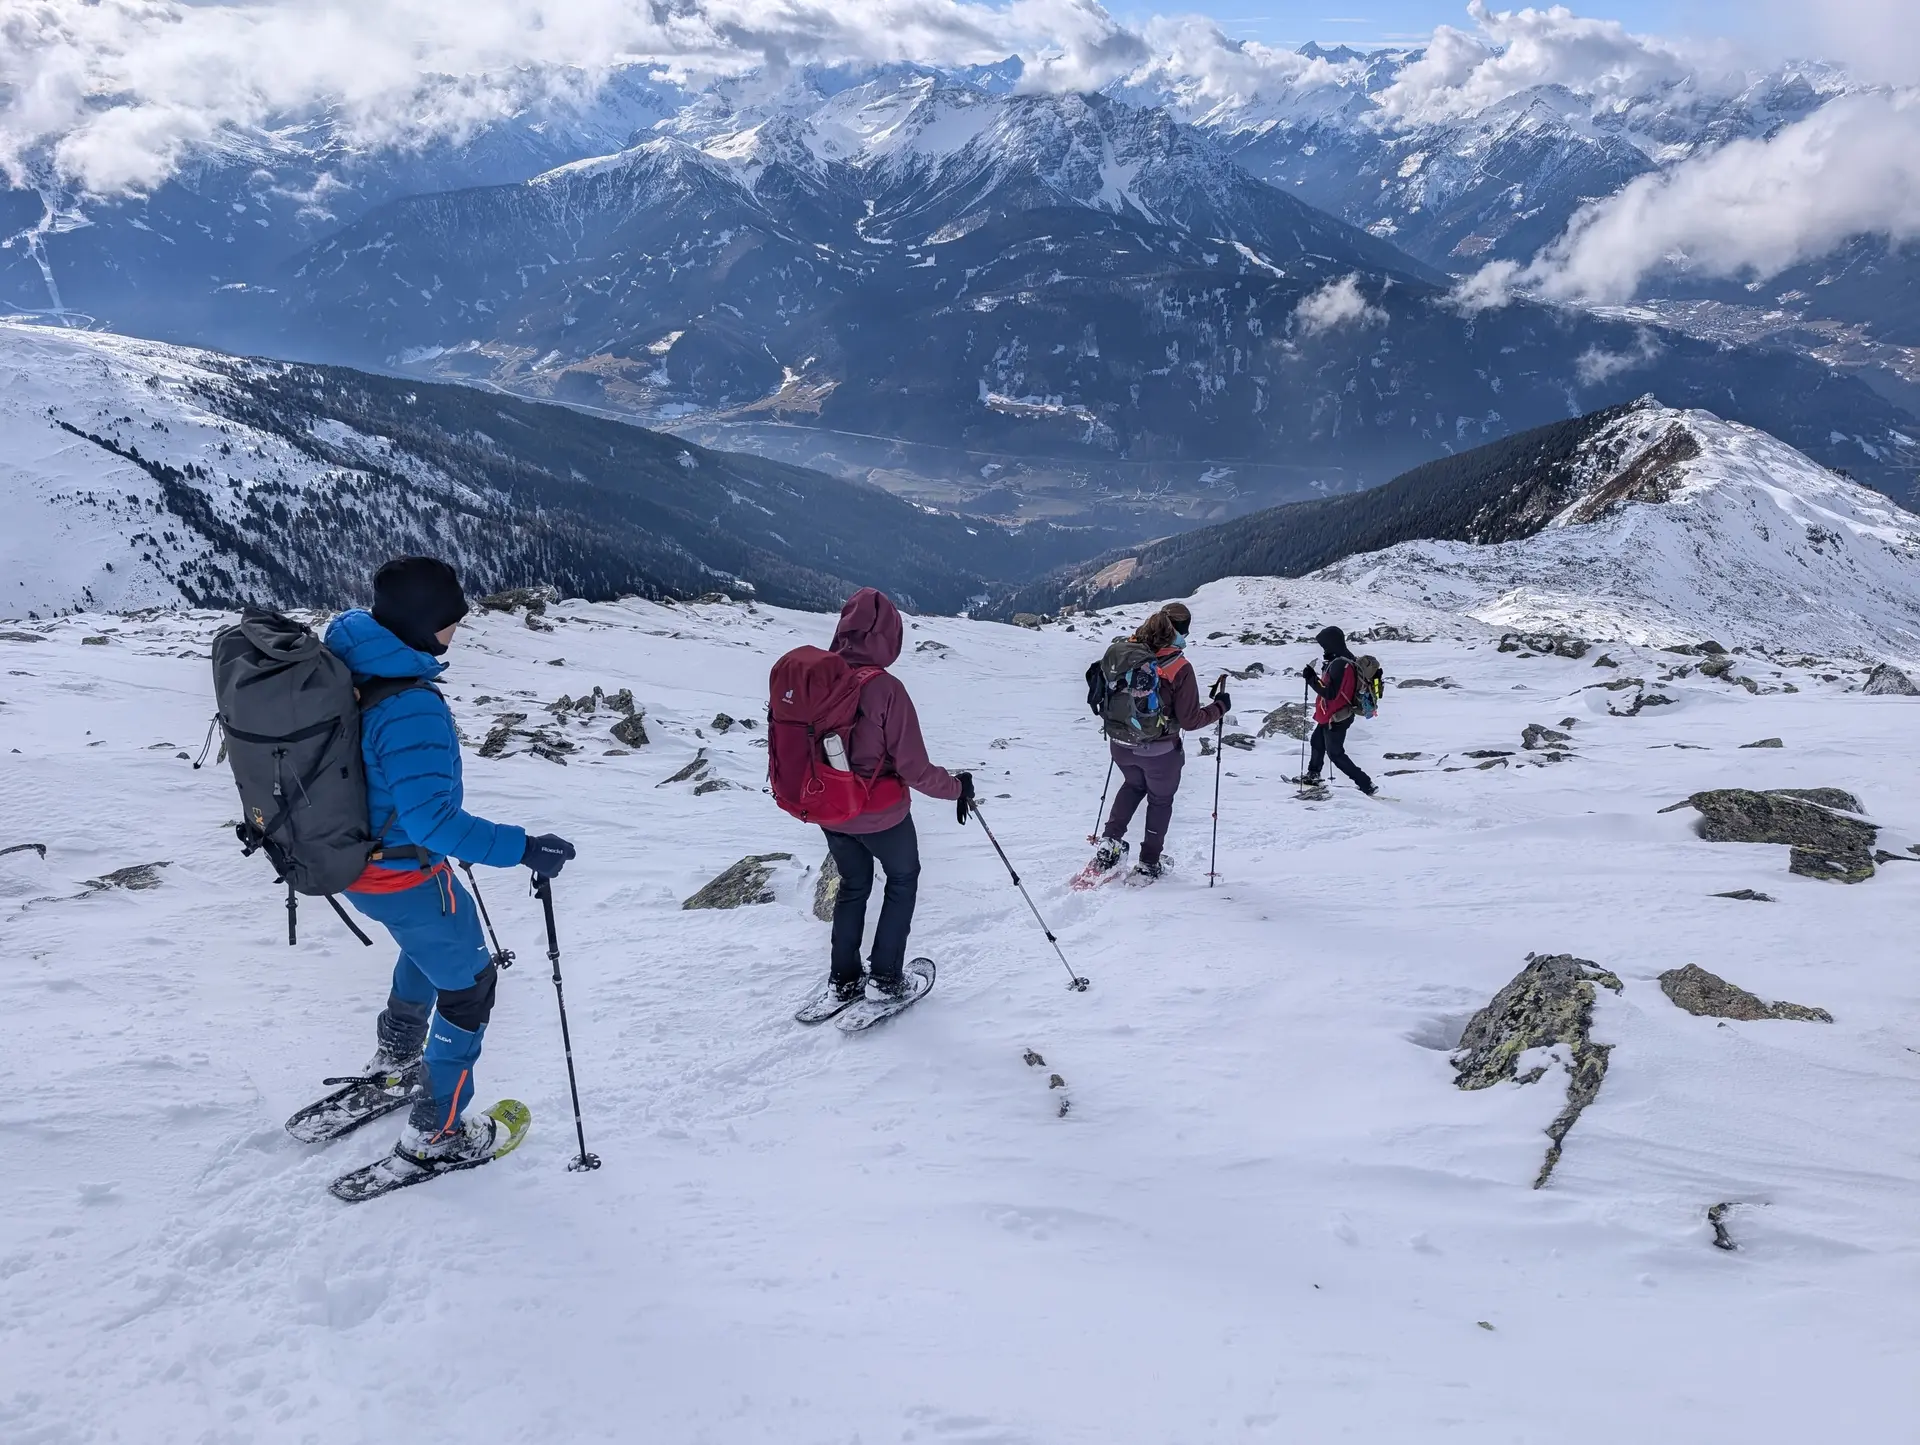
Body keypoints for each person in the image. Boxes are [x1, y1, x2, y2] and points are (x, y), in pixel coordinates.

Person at [322, 557, 577, 1167]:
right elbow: (431, 821)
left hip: (355, 865)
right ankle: (437, 1132)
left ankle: (398, 1057)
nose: (454, 633)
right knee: (469, 990)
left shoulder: (352, 664)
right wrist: (522, 848)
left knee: (424, 949)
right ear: (419, 622)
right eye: (447, 621)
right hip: (404, 875)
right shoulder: (409, 705)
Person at [819, 587, 971, 1003]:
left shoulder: (819, 676)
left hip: (829, 809)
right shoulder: (886, 689)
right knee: (902, 880)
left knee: (853, 884)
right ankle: (886, 979)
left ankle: (844, 979)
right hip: (880, 814)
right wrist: (958, 788)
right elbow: (915, 770)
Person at [1089, 607, 1229, 881]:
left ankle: (1110, 843)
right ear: (1179, 631)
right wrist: (1219, 708)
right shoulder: (1179, 666)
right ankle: (1148, 863)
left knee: (1132, 785)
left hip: (1120, 743)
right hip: (1160, 751)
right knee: (1160, 801)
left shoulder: (1125, 652)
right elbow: (1190, 720)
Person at [1300, 624, 1377, 795]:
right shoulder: (1345, 659)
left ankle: (1366, 783)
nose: (1323, 648)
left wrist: (1311, 679)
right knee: (1317, 742)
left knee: (1335, 754)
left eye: (1324, 644)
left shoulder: (1339, 663)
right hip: (1335, 714)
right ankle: (1313, 775)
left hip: (1337, 716)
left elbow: (1330, 693)